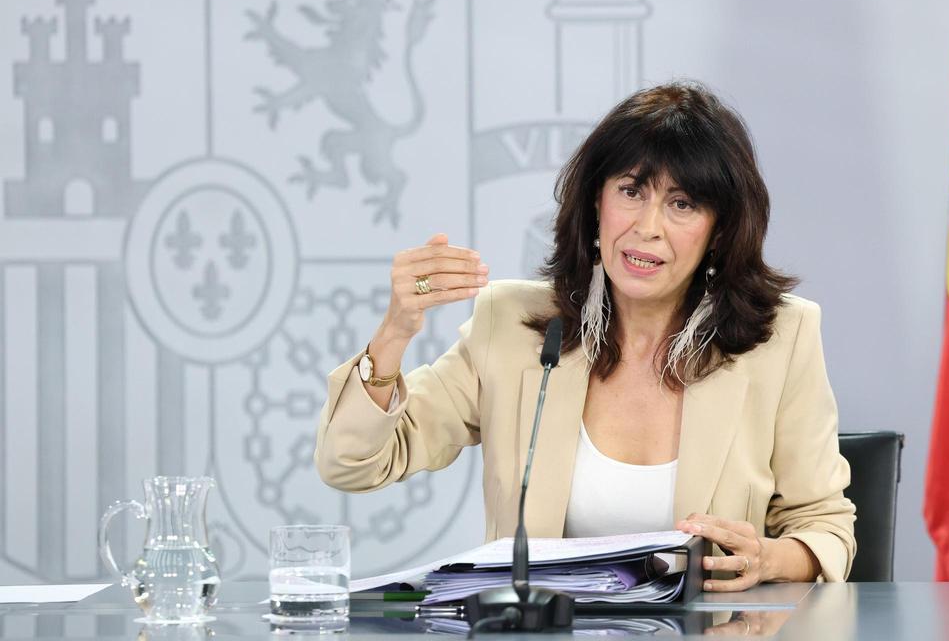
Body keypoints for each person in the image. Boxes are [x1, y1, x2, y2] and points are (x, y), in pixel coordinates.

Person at [315, 82, 856, 587]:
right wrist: (394, 333)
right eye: (631, 191)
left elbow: (826, 528)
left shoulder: (780, 338)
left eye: (682, 204)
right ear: (595, 205)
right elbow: (354, 464)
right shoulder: (511, 326)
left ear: (720, 231)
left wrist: (766, 558)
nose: (648, 226)